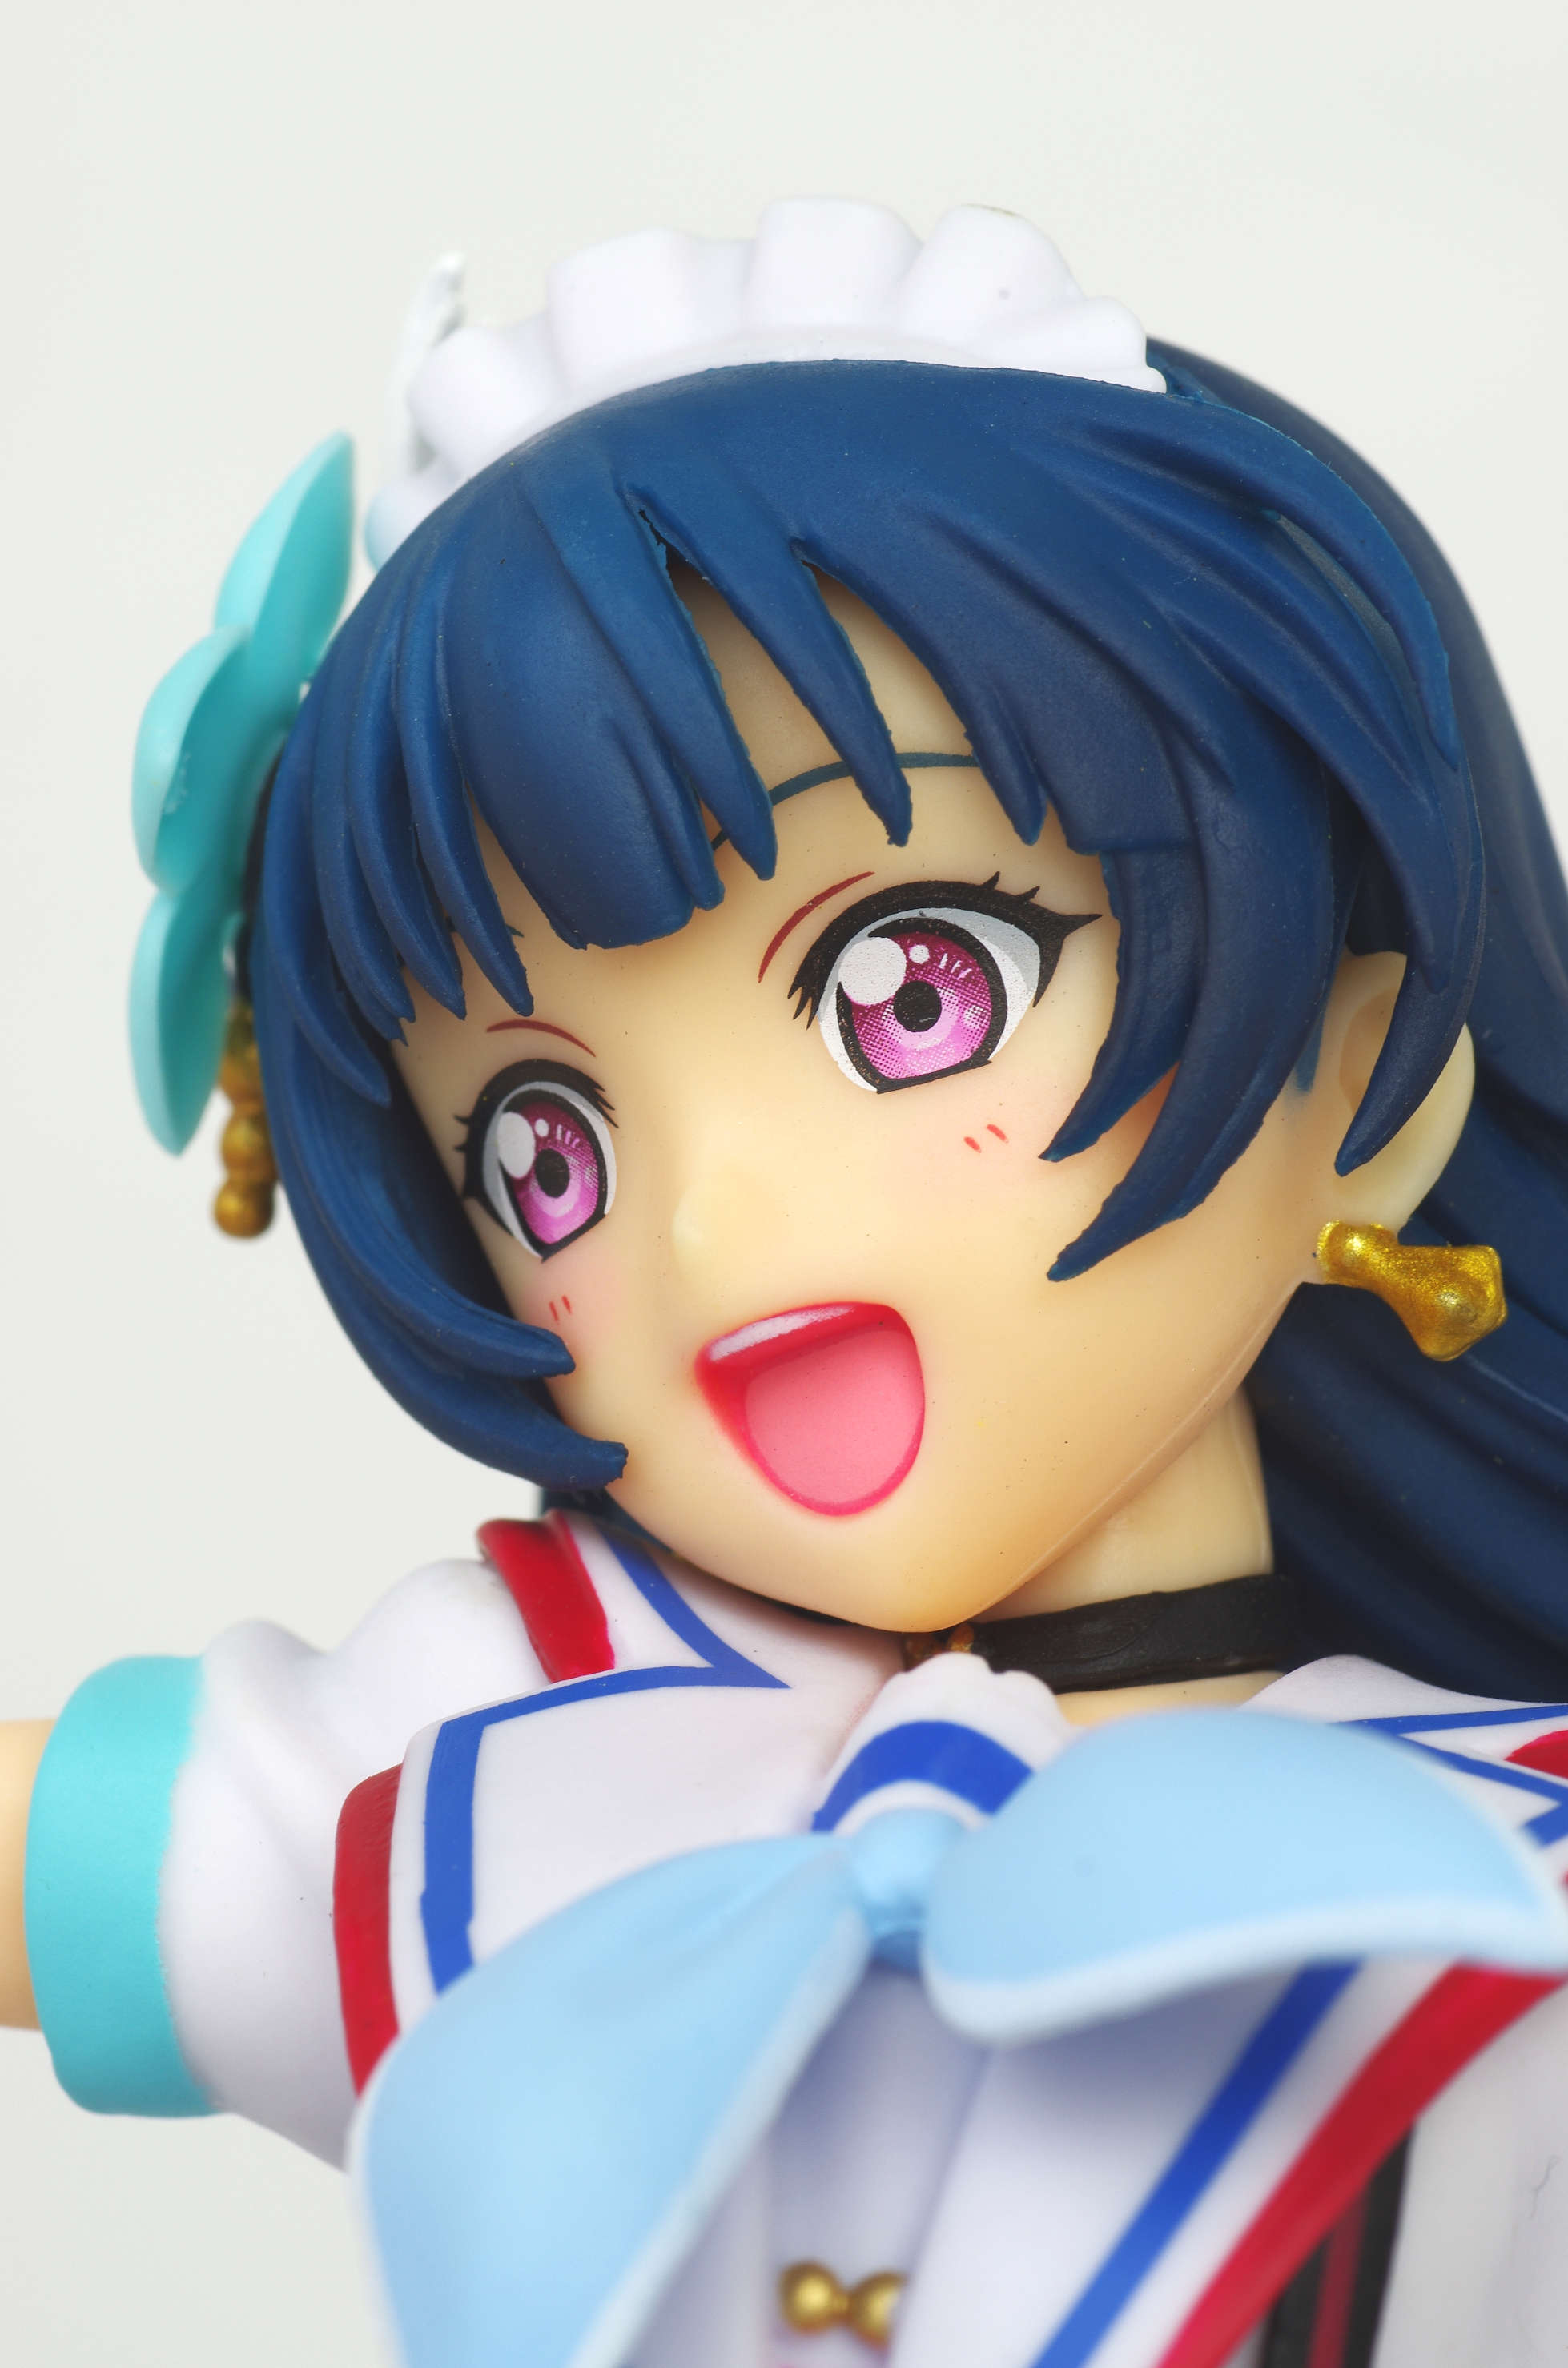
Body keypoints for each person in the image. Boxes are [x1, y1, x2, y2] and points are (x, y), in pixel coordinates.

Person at [5, 200, 1568, 2368]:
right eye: (543, 1149)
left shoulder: (1506, 1859)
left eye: (915, 992)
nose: (711, 1238)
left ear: (1357, 1070)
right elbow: (87, 1851)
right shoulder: (525, 1759)